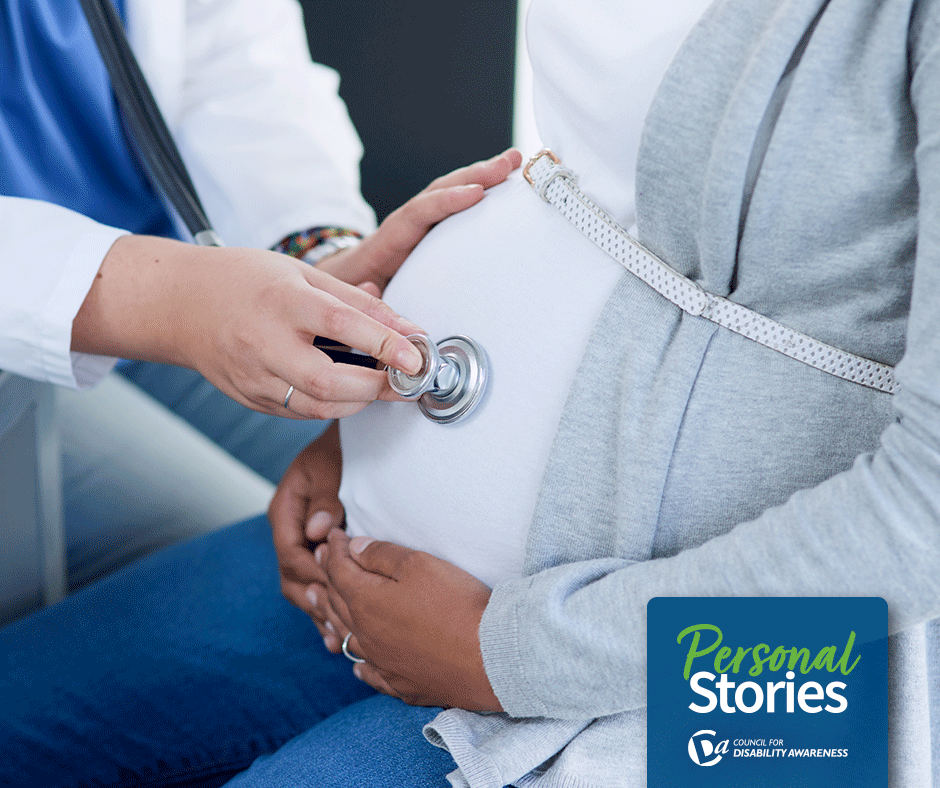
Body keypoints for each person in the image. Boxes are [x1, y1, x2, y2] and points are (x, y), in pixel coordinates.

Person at [3, 0, 940, 787]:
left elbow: (923, 522)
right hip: (394, 551)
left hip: (733, 665)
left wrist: (514, 655)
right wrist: (363, 421)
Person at [0, 0, 519, 590]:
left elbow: (231, 55)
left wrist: (315, 255)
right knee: (274, 566)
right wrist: (165, 299)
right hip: (37, 335)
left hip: (180, 277)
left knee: (433, 508)